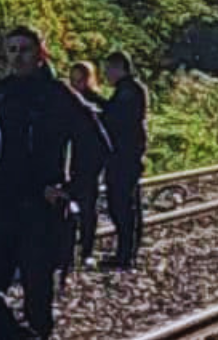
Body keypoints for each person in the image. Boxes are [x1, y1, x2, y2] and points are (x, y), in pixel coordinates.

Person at [0, 26, 111, 340]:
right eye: (12, 50)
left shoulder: (58, 95)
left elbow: (96, 145)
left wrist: (71, 188)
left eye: (24, 50)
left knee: (37, 292)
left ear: (41, 54)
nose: (18, 57)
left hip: (40, 208)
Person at [101, 51, 147, 271]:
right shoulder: (129, 90)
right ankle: (126, 252)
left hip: (124, 156)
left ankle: (125, 254)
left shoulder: (128, 92)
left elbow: (116, 118)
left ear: (119, 68)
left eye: (109, 69)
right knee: (126, 205)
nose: (106, 74)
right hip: (127, 155)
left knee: (122, 205)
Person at [66, 62, 108, 271]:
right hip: (71, 163)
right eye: (73, 79)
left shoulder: (96, 104)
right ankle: (67, 251)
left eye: (80, 79)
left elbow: (103, 140)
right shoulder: (65, 102)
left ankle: (87, 250)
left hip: (87, 163)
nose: (76, 84)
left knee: (88, 208)